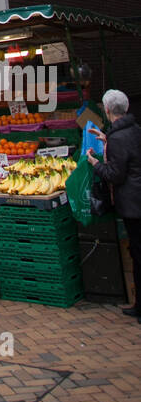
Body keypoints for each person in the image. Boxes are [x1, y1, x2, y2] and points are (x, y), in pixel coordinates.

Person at [87, 90, 141, 322]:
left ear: (107, 111)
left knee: (138, 254)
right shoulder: (134, 131)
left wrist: (95, 163)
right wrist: (106, 140)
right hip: (136, 200)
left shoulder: (119, 137)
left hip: (132, 203)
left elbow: (115, 174)